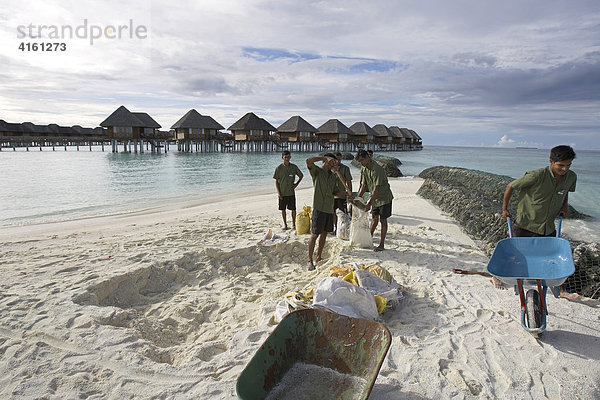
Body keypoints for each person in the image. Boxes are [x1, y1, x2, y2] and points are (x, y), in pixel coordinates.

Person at [493, 145, 577, 290]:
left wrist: (564, 207)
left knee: (549, 258)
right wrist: (504, 209)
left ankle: (556, 286)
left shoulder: (571, 177)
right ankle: (496, 276)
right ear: (551, 161)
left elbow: (564, 192)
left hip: (547, 226)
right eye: (560, 166)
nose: (564, 169)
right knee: (515, 255)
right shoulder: (537, 176)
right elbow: (510, 186)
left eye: (568, 165)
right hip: (526, 223)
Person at [306, 153, 348, 270]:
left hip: (329, 208)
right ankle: (310, 260)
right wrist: (323, 158)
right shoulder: (318, 172)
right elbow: (308, 161)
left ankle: (318, 256)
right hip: (319, 207)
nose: (335, 164)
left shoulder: (333, 176)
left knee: (324, 233)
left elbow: (333, 192)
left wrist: (344, 193)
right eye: (333, 162)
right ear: (327, 161)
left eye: (336, 162)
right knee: (315, 234)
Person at [356, 149, 394, 251]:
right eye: (359, 162)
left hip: (384, 197)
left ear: (368, 157)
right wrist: (358, 198)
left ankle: (381, 245)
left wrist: (369, 203)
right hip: (375, 197)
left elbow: (376, 188)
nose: (361, 163)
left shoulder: (377, 169)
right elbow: (364, 185)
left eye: (362, 160)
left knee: (383, 220)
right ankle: (369, 239)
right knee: (374, 219)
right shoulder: (364, 168)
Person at [273, 151, 303, 230]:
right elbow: (276, 181)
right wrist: (279, 193)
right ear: (282, 158)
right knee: (283, 210)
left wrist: (296, 184)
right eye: (285, 157)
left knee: (293, 209)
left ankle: (293, 224)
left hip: (291, 193)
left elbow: (301, 175)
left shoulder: (294, 167)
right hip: (282, 193)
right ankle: (285, 224)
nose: (287, 158)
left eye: (289, 157)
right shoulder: (279, 168)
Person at [333, 152, 352, 232]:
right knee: (333, 213)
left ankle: (345, 229)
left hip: (342, 195)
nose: (338, 161)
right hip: (332, 195)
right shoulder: (330, 168)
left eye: (340, 159)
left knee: (343, 214)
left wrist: (349, 194)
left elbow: (349, 182)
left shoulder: (345, 168)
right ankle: (336, 228)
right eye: (337, 159)